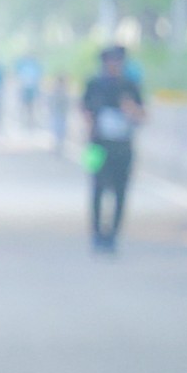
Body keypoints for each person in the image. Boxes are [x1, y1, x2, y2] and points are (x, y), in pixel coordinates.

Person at [82, 44, 147, 252]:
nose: (113, 65)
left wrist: (131, 109)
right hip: (96, 146)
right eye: (110, 61)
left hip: (123, 147)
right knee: (96, 189)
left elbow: (143, 116)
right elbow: (84, 110)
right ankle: (96, 235)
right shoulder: (94, 84)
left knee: (121, 192)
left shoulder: (130, 86)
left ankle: (113, 236)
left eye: (117, 61)